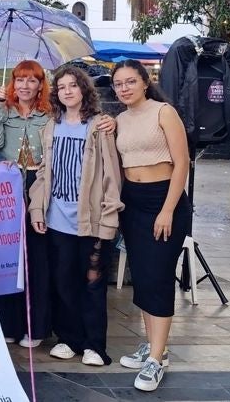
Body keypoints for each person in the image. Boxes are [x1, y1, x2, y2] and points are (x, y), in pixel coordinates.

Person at [28, 66, 123, 368]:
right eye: (61, 87)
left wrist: (109, 217)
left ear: (84, 90)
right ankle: (69, 338)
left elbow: (111, 175)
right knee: (64, 282)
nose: (67, 91)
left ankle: (95, 344)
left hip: (92, 220)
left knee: (93, 284)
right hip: (57, 219)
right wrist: (37, 208)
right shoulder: (51, 127)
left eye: (73, 86)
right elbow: (43, 173)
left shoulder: (99, 126)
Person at [111, 60, 191, 392]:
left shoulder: (163, 112)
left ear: (145, 82)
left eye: (130, 81)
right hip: (133, 202)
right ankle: (154, 346)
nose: (124, 88)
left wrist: (168, 210)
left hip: (164, 198)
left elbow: (182, 161)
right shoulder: (117, 120)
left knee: (158, 277)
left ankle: (156, 359)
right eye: (118, 84)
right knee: (142, 278)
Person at [0, 59, 53, 348]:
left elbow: (52, 150)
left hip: (36, 187)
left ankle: (35, 328)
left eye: (31, 80)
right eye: (19, 80)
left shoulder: (49, 115)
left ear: (40, 85)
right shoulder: (5, 110)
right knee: (8, 258)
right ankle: (9, 324)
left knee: (36, 257)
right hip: (7, 188)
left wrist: (42, 166)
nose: (25, 86)